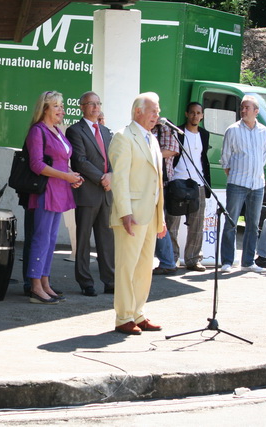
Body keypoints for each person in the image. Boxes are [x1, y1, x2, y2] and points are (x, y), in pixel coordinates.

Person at [108, 92, 166, 335]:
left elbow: (157, 180)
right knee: (127, 266)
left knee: (144, 267)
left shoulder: (151, 138)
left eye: (158, 110)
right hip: (130, 213)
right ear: (138, 112)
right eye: (153, 110)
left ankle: (138, 313)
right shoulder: (123, 137)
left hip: (150, 213)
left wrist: (160, 218)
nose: (157, 114)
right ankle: (123, 316)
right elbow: (119, 179)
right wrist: (124, 212)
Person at [25, 91, 83, 304]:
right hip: (45, 191)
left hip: (60, 190)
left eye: (62, 105)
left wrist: (71, 176)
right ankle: (35, 286)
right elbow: (37, 165)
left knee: (50, 240)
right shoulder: (37, 131)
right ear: (45, 108)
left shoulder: (57, 131)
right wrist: (65, 176)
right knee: (41, 238)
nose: (61, 109)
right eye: (56, 106)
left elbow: (60, 160)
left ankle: (45, 283)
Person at [65, 91, 114, 296]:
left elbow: (112, 159)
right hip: (87, 191)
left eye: (97, 103)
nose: (95, 107)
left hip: (106, 192)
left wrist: (111, 174)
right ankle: (86, 282)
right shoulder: (75, 130)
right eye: (90, 104)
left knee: (107, 240)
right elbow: (79, 161)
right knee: (83, 240)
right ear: (81, 107)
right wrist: (102, 177)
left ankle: (110, 280)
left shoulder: (105, 131)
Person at [220, 95, 266, 273]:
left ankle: (248, 262)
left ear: (256, 111)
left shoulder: (264, 132)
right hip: (237, 183)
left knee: (253, 224)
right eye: (242, 107)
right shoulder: (232, 130)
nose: (243, 110)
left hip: (257, 184)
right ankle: (227, 260)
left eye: (247, 108)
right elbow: (225, 159)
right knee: (231, 222)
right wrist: (235, 174)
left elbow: (263, 157)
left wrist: (253, 173)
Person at [166, 102, 212, 271]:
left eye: (198, 113)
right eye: (192, 112)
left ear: (202, 116)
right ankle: (172, 259)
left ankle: (193, 259)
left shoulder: (204, 135)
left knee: (197, 224)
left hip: (198, 184)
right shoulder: (177, 132)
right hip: (178, 182)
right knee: (172, 223)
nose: (195, 116)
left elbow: (203, 158)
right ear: (186, 114)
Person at [151, 118, 179, 276]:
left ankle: (168, 262)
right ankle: (167, 261)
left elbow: (173, 149)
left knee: (159, 222)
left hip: (162, 183)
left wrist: (149, 154)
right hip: (147, 182)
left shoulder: (166, 128)